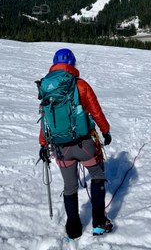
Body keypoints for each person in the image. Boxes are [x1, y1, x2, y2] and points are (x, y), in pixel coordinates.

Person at [38, 48, 113, 239]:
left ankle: (73, 227)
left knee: (69, 186)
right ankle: (99, 222)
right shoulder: (81, 85)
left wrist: (42, 144)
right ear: (73, 63)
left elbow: (45, 119)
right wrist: (106, 131)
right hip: (84, 144)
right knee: (97, 175)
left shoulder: (47, 88)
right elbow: (96, 112)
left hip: (60, 149)